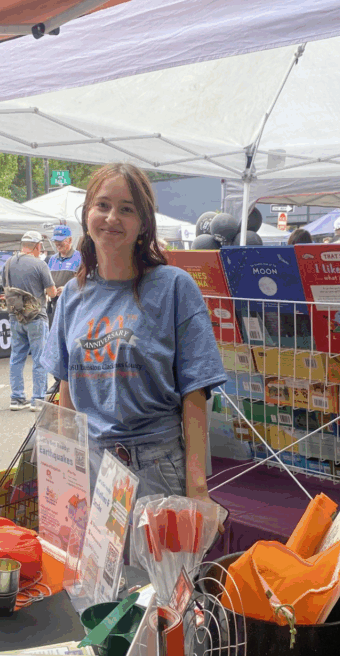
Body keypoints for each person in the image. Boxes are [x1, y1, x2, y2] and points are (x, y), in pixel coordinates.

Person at [42, 162, 226, 503]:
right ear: (87, 215)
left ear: (143, 224)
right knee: (93, 560)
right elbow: (67, 386)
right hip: (91, 463)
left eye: (126, 209)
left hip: (156, 467)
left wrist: (197, 486)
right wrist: (67, 467)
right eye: (103, 205)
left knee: (153, 560)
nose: (112, 218)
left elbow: (196, 392)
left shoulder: (174, 287)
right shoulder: (72, 295)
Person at [3, 231, 57, 410]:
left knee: (16, 357)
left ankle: (16, 398)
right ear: (37, 246)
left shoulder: (8, 263)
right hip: (36, 316)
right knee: (40, 359)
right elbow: (51, 292)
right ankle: (38, 400)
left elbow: (6, 288)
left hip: (15, 315)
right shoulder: (40, 264)